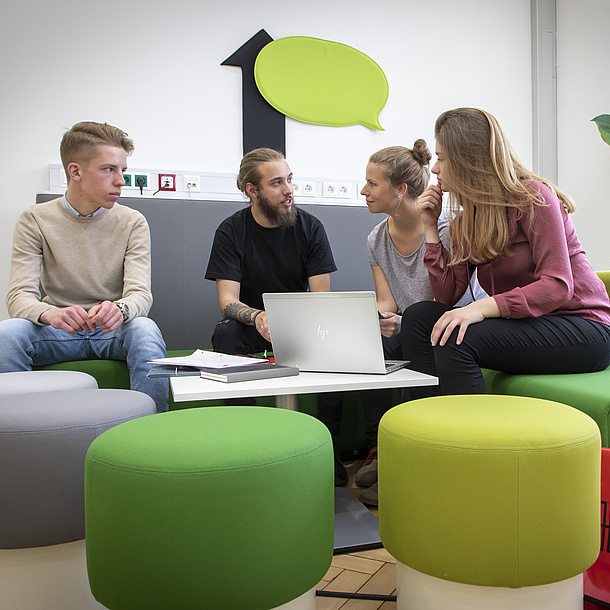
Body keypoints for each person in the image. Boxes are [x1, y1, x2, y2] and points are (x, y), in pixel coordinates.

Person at [402, 107, 610, 397]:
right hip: (529, 323)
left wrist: (480, 308)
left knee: (457, 338)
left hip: (582, 328)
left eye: (441, 159)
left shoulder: (534, 198)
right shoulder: (465, 220)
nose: (434, 169)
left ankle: (472, 438)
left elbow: (557, 286)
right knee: (419, 317)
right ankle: (425, 426)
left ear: (467, 161)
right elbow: (447, 296)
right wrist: (431, 229)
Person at [319, 142, 486, 505]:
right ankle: (380, 449)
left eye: (371, 183)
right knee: (365, 346)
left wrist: (404, 320)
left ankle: (407, 458)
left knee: (411, 328)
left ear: (401, 190)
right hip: (406, 326)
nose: (363, 191)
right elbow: (386, 301)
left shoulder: (448, 228)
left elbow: (455, 296)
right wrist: (378, 318)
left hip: (446, 325)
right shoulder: (376, 238)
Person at [0, 121, 169, 413]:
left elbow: (140, 294)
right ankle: (20, 431)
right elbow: (19, 297)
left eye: (122, 171)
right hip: (58, 331)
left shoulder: (133, 222)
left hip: (112, 331)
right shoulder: (34, 219)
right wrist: (50, 313)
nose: (121, 181)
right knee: (8, 334)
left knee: (145, 329)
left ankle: (151, 431)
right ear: (75, 171)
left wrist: (121, 310)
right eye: (109, 170)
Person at [205, 147, 336, 357]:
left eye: (290, 180)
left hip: (301, 323)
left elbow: (322, 298)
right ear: (253, 190)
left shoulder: (311, 228)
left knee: (330, 332)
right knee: (226, 332)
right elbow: (227, 302)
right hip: (254, 323)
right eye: (277, 183)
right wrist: (258, 317)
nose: (289, 190)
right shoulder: (230, 231)